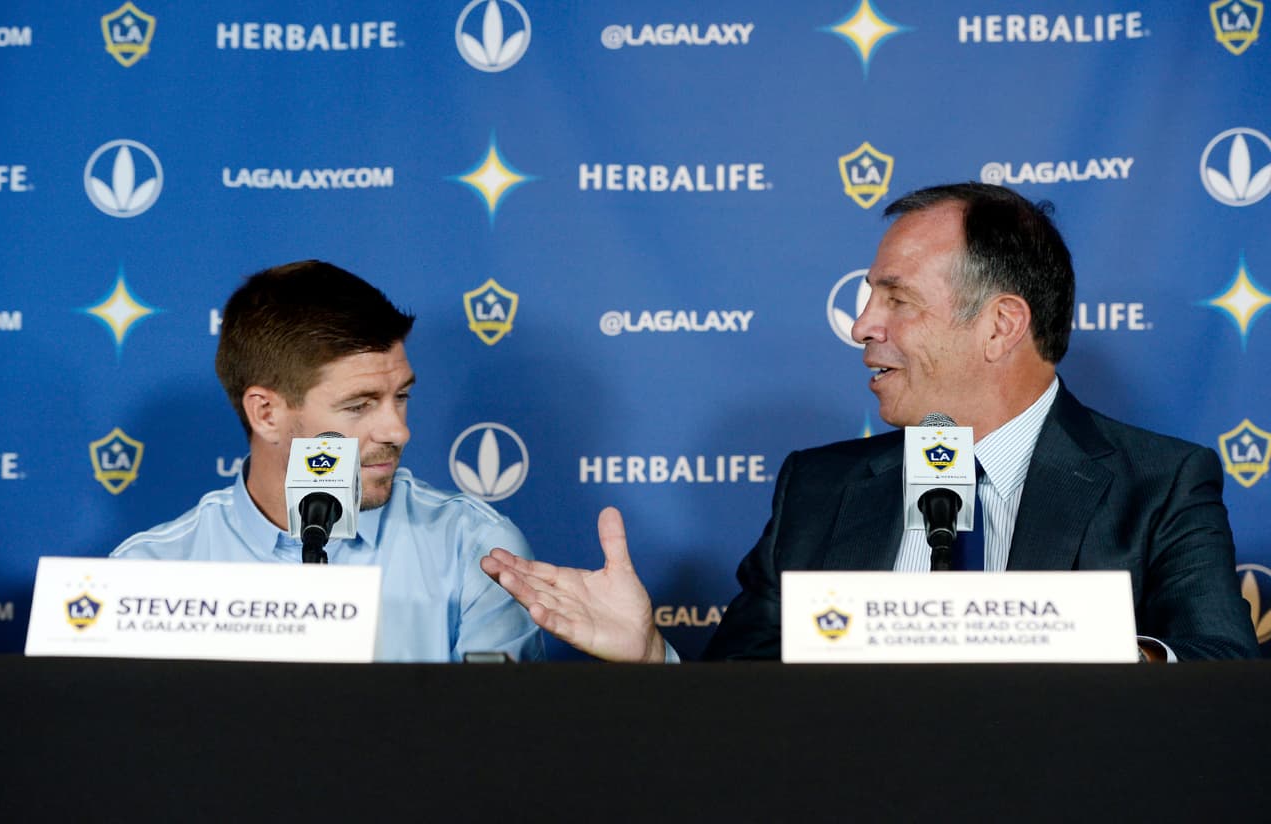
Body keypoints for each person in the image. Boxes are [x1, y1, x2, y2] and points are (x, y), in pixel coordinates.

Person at [481, 183, 1259, 662]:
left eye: (897, 300)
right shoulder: (819, 490)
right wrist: (653, 657)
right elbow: (736, 710)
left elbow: (1222, 668)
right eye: (867, 298)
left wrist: (1067, 645)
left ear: (1000, 325)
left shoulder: (1160, 482)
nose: (860, 326)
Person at [112, 260, 544, 663]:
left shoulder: (475, 549)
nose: (397, 431)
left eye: (402, 397)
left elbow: (497, 738)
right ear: (266, 414)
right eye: (359, 406)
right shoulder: (146, 576)